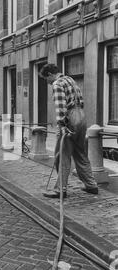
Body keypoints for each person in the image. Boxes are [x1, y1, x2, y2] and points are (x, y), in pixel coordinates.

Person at [40, 64, 98, 199]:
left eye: (45, 79)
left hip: (70, 118)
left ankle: (60, 190)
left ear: (49, 74)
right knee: (80, 153)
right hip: (81, 116)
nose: (47, 83)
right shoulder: (70, 80)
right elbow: (80, 101)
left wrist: (62, 125)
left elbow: (61, 107)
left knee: (62, 155)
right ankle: (91, 185)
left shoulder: (57, 83)